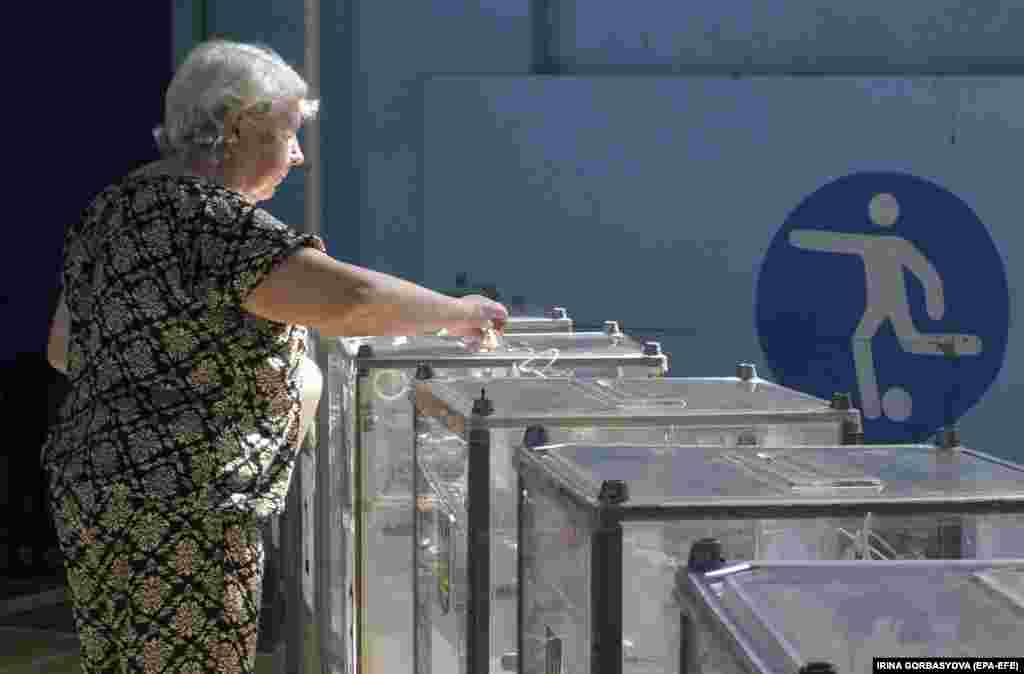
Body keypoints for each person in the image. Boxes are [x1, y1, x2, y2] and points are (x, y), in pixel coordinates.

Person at [43, 39, 507, 674]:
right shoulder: (209, 222)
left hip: (98, 492)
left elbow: (62, 349)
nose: (298, 156)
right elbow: (349, 298)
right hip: (185, 510)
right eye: (288, 134)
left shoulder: (115, 207)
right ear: (237, 128)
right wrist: (460, 313)